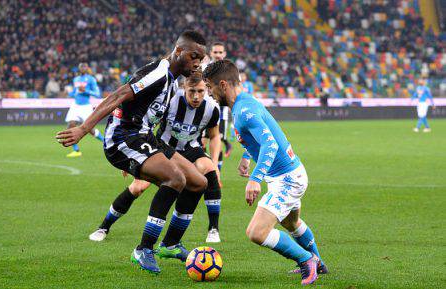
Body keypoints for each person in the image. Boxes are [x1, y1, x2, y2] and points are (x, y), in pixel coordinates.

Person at [56, 30, 208, 274]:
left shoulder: (172, 78)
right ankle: (144, 249)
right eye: (194, 56)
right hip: (123, 137)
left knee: (198, 182)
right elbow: (118, 95)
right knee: (175, 178)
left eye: (201, 58)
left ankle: (170, 244)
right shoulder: (157, 73)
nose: (198, 62)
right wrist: (84, 128)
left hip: (145, 137)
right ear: (178, 52)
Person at [202, 60, 327, 285]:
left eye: (209, 87)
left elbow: (270, 145)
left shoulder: (244, 111)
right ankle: (318, 262)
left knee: (256, 232)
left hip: (286, 179)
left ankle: (307, 260)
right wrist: (248, 156)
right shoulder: (244, 102)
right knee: (291, 224)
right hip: (291, 172)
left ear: (222, 84)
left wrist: (255, 179)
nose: (208, 93)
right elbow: (263, 136)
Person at [89, 72, 223, 244]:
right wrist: (134, 157)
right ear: (184, 88)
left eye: (200, 91)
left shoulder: (212, 108)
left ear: (206, 90)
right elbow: (147, 126)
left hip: (192, 149)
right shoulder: (172, 102)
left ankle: (213, 229)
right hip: (163, 147)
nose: (196, 96)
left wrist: (216, 163)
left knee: (209, 170)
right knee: (137, 187)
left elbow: (215, 136)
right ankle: (104, 226)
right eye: (192, 91)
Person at [64, 62, 103, 157]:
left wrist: (85, 90)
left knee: (89, 129)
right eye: (81, 66)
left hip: (85, 107)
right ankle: (76, 150)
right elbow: (75, 91)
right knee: (70, 125)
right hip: (75, 105)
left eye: (84, 66)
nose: (82, 68)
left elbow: (97, 94)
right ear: (79, 68)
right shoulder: (76, 79)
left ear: (87, 68)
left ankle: (105, 141)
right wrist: (69, 94)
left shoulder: (91, 79)